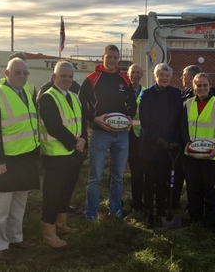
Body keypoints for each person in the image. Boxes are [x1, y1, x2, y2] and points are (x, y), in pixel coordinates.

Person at [0, 58, 41, 260]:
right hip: (5, 161)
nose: (22, 76)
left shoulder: (27, 93)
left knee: (19, 205)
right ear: (7, 73)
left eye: (25, 73)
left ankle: (16, 238)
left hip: (25, 159)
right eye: (18, 72)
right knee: (1, 208)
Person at [79, 44, 137, 221]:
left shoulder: (124, 79)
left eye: (115, 57)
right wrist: (95, 119)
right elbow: (82, 103)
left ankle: (116, 209)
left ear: (118, 59)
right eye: (109, 57)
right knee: (95, 176)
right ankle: (91, 212)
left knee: (118, 177)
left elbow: (132, 104)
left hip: (121, 135)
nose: (112, 60)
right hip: (100, 133)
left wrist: (129, 118)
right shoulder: (92, 78)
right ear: (103, 57)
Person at [38, 61, 87, 248]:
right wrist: (76, 143)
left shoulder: (74, 96)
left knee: (66, 191)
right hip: (55, 156)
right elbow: (54, 126)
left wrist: (83, 138)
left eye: (69, 76)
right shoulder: (47, 98)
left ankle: (61, 224)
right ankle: (49, 233)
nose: (67, 79)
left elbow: (81, 122)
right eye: (63, 76)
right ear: (54, 77)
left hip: (73, 154)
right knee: (52, 195)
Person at [181, 72, 215, 233]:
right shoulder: (187, 104)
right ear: (194, 87)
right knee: (194, 190)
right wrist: (186, 143)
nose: (202, 88)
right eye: (198, 85)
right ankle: (195, 222)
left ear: (210, 86)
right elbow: (183, 127)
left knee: (212, 192)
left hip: (211, 156)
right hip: (192, 156)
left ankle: (213, 225)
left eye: (204, 85)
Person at [139, 63, 183, 226]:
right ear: (155, 76)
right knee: (150, 181)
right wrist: (160, 141)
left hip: (169, 149)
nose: (164, 78)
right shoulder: (147, 95)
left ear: (170, 77)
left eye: (167, 75)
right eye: (161, 75)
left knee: (164, 182)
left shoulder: (176, 94)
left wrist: (175, 141)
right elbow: (146, 122)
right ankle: (148, 211)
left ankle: (162, 211)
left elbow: (180, 119)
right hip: (151, 147)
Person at [127, 63, 147, 212]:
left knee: (137, 171)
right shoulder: (122, 91)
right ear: (128, 74)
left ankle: (138, 203)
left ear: (142, 75)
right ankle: (115, 203)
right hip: (122, 134)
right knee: (117, 171)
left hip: (138, 137)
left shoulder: (146, 93)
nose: (135, 75)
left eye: (138, 73)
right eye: (133, 72)